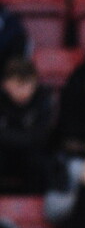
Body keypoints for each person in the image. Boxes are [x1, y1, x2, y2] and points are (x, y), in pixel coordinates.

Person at [0, 58, 54, 194]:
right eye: (19, 84)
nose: (25, 91)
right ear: (6, 84)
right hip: (4, 154)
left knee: (41, 164)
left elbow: (41, 137)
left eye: (29, 85)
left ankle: (36, 211)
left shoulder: (43, 100)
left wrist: (8, 135)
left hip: (32, 155)